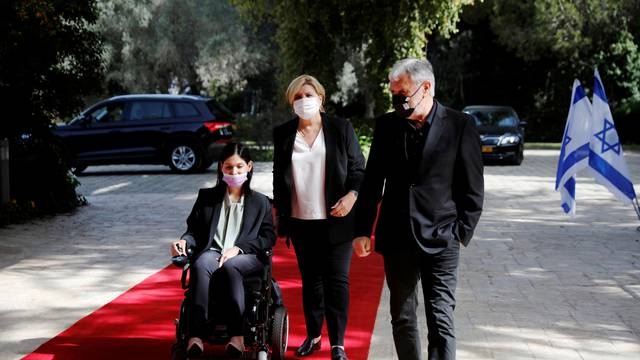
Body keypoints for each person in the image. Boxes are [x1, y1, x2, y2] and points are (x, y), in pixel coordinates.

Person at [353, 58, 484, 360]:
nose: (396, 99)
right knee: (402, 317)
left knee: (441, 318)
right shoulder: (387, 125)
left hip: (442, 238)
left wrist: (461, 233)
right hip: (397, 236)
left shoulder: (460, 126)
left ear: (426, 88)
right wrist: (362, 229)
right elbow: (373, 181)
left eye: (402, 92)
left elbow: (473, 188)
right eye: (393, 93)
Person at [272, 75, 365, 360]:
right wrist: (281, 217)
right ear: (291, 103)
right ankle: (313, 336)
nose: (304, 101)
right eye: (297, 97)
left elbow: (358, 170)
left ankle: (338, 344)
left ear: (321, 99)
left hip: (337, 219)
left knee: (337, 281)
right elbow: (279, 177)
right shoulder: (284, 134)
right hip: (301, 221)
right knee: (311, 282)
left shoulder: (341, 128)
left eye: (308, 95)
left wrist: (352, 196)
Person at [170, 142, 276, 358]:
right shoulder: (207, 198)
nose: (234, 172)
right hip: (213, 251)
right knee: (201, 264)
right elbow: (193, 232)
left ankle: (237, 336)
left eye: (239, 167)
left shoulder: (261, 202)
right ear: (221, 167)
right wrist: (183, 242)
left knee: (232, 266)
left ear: (249, 166)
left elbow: (268, 237)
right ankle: (195, 336)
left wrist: (239, 248)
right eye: (228, 167)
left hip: (246, 256)